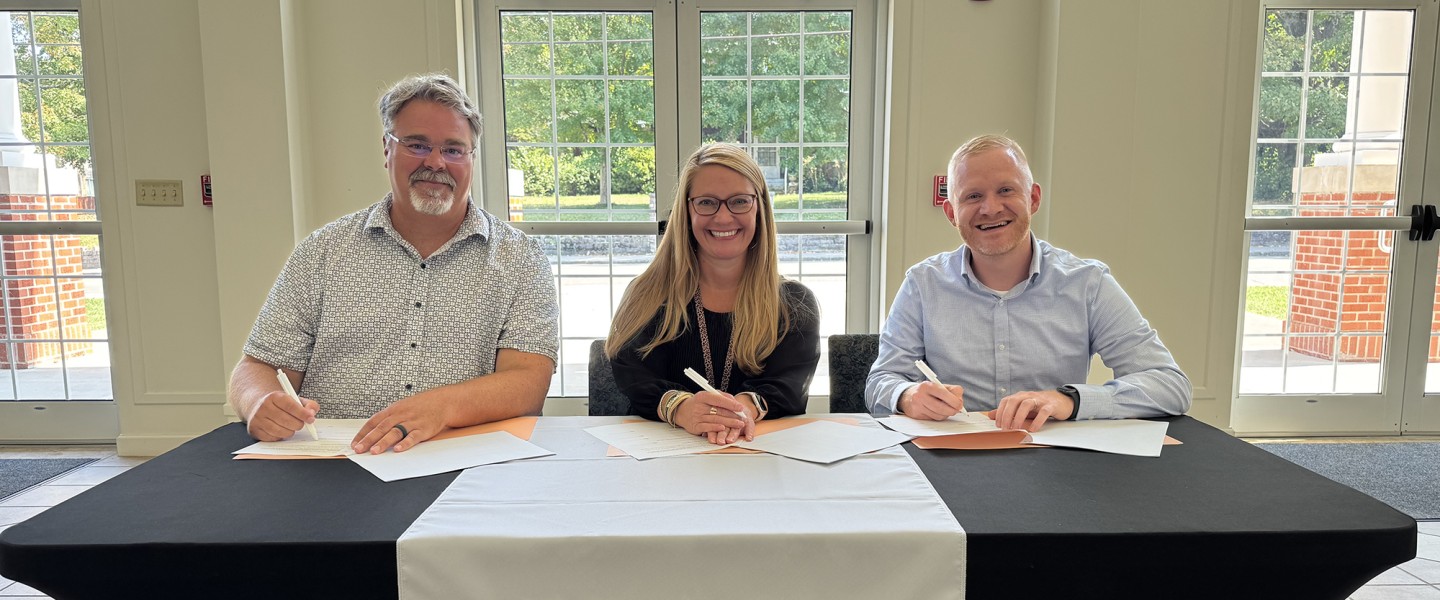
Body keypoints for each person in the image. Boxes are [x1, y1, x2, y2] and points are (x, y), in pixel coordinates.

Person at [227, 73, 558, 454]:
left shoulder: (520, 259)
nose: (435, 162)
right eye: (417, 145)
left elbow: (528, 382)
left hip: (462, 457)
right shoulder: (322, 252)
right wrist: (259, 402)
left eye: (453, 149)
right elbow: (257, 366)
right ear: (387, 148)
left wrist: (440, 407)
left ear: (472, 159)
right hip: (334, 460)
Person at [865, 134, 1190, 431]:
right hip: (951, 460)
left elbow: (1169, 386)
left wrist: (1069, 400)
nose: (990, 208)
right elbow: (881, 381)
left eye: (1006, 190)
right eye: (973, 196)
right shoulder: (922, 284)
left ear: (1033, 198)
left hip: (1055, 463)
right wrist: (907, 395)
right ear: (951, 213)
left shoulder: (1087, 283)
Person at [606, 143, 821, 445]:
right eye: (707, 202)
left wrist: (740, 412)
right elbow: (635, 378)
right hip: (661, 462)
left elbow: (788, 386)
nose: (723, 218)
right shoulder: (646, 295)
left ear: (759, 208)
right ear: (687, 210)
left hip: (758, 457)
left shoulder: (794, 304)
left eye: (739, 201)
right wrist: (682, 409)